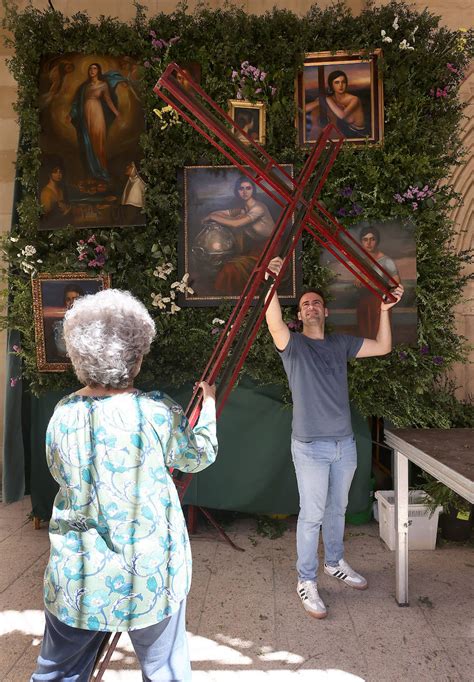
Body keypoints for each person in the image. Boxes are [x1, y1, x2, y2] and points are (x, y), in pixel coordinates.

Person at [31, 289, 218, 681]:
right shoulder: (157, 410)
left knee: (56, 673)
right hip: (150, 574)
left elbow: (58, 471)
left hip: (78, 578)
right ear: (136, 354)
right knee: (166, 671)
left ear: (79, 355)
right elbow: (196, 457)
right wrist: (209, 407)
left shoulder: (62, 413)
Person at [265, 257, 403, 619]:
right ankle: (306, 579)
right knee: (311, 515)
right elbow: (272, 319)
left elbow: (383, 347)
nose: (311, 306)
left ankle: (335, 562)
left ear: (325, 311)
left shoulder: (340, 343)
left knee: (336, 509)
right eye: (305, 303)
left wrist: (385, 311)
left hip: (344, 445)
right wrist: (274, 282)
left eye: (316, 302)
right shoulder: (292, 345)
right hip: (310, 447)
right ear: (301, 314)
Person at [201, 177, 275, 295]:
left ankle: (225, 296)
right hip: (255, 249)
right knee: (225, 264)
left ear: (253, 190)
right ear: (237, 191)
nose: (244, 192)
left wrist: (211, 217)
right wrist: (211, 214)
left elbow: (235, 224)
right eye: (241, 189)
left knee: (231, 268)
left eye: (248, 188)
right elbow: (224, 213)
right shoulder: (243, 209)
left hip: (270, 249)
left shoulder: (258, 208)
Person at [69, 63, 125, 182]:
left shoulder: (103, 85)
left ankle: (103, 171)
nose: (92, 70)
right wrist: (71, 114)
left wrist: (117, 113)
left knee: (98, 142)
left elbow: (108, 100)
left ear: (98, 71)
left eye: (94, 68)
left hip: (97, 114)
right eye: (90, 68)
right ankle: (93, 172)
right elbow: (77, 102)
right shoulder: (85, 87)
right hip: (86, 116)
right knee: (87, 142)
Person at [356, 225, 400, 339]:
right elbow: (359, 281)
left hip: (379, 303)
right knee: (365, 334)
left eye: (372, 239)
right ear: (361, 242)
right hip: (364, 302)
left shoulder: (387, 261)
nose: (369, 243)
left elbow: (396, 285)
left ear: (377, 241)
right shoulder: (363, 261)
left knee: (379, 334)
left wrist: (377, 286)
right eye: (365, 240)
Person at [325, 70, 368, 138]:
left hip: (359, 133)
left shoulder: (354, 99)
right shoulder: (332, 99)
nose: (341, 85)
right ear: (331, 85)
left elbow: (342, 115)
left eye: (343, 82)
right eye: (337, 82)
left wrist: (327, 99)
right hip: (345, 129)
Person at [40, 164, 72, 230]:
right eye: (55, 172)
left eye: (60, 172)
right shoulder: (46, 193)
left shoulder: (60, 190)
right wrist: (66, 211)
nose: (58, 174)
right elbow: (46, 219)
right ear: (49, 174)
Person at [117, 160, 146, 225]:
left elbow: (131, 213)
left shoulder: (138, 183)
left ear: (135, 169)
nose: (127, 167)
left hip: (133, 211)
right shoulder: (130, 180)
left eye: (130, 166)